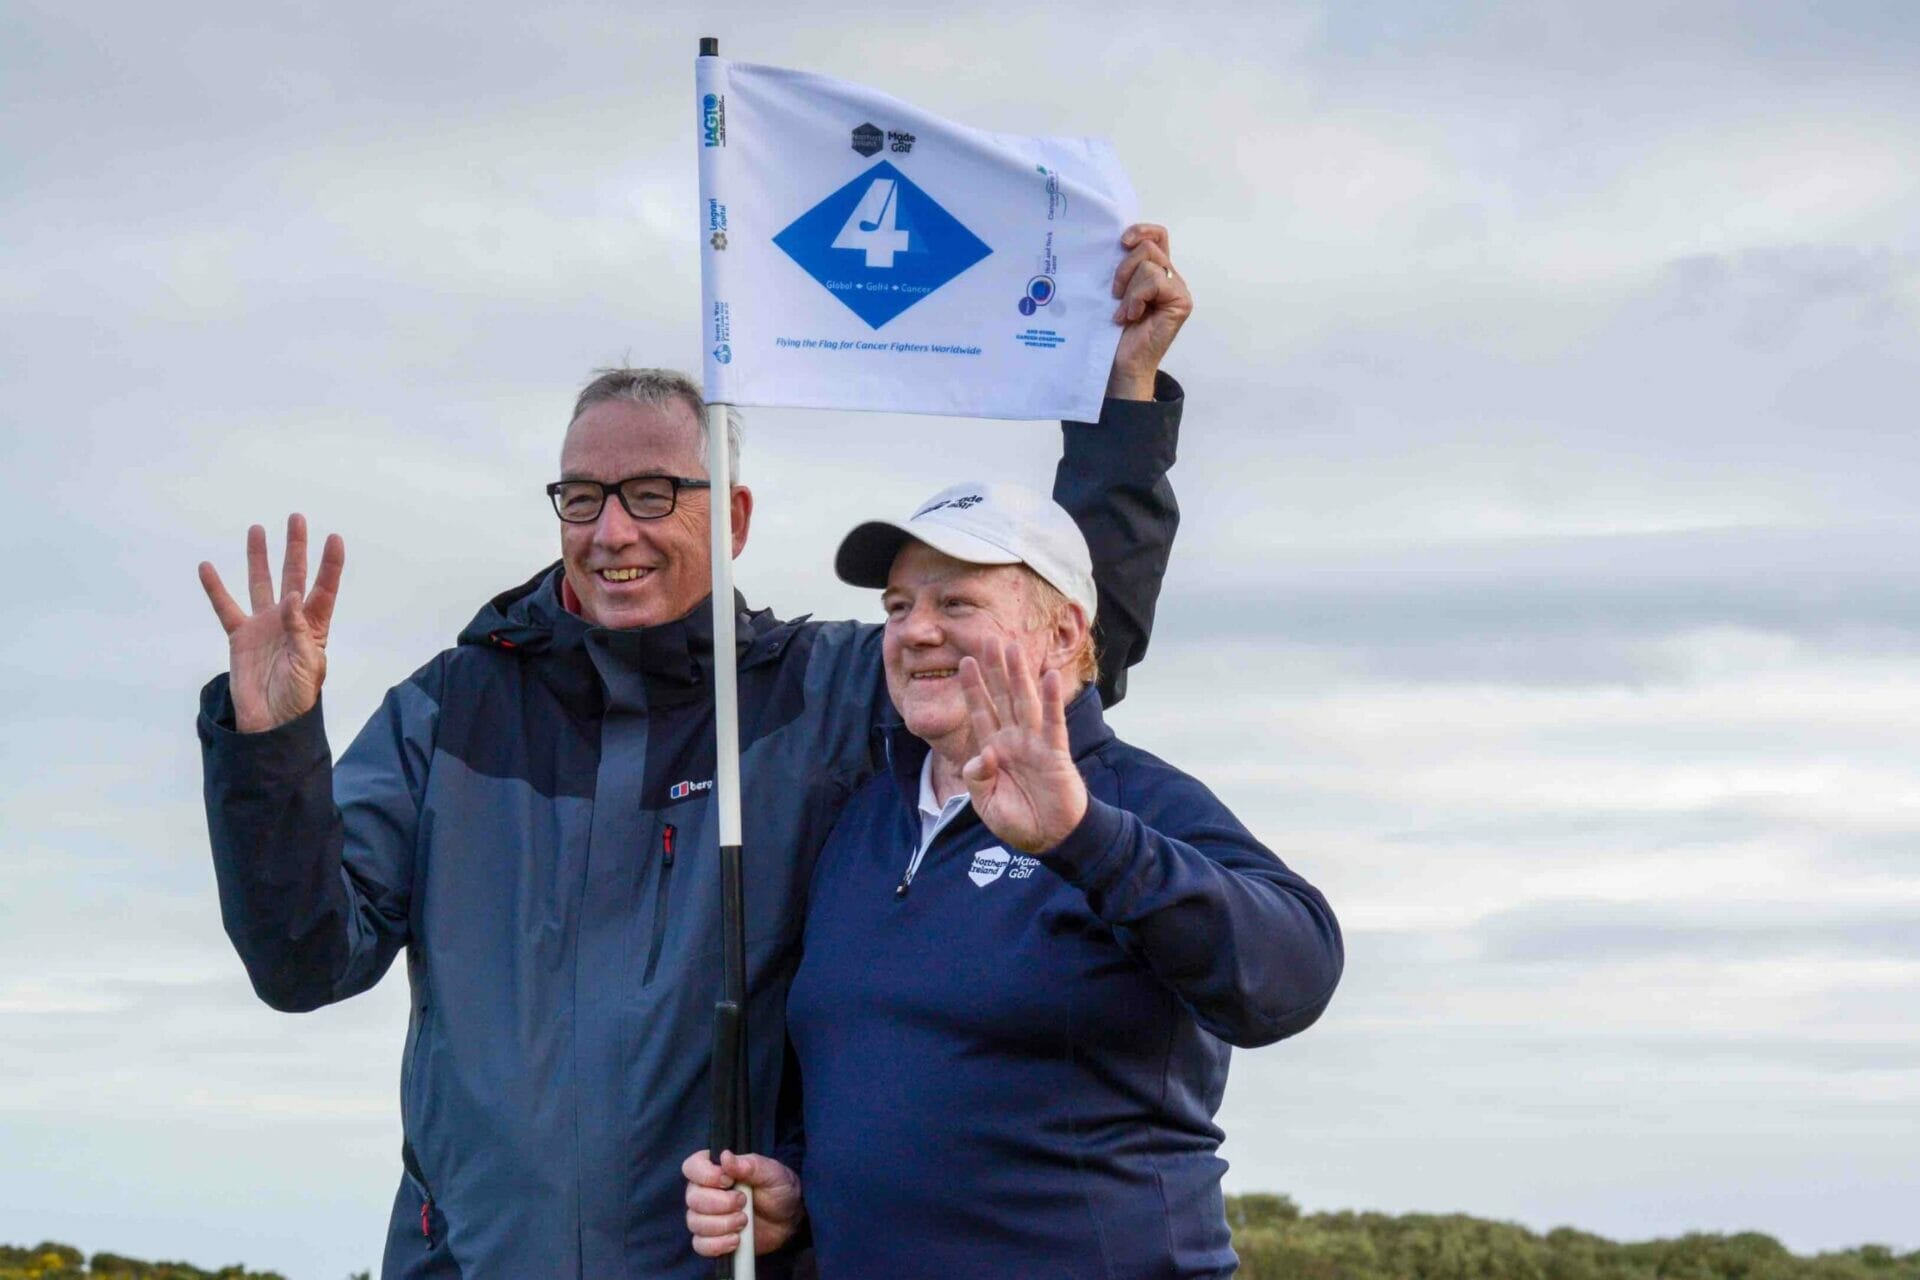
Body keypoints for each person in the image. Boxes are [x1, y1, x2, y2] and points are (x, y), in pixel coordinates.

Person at [195, 227, 1192, 1278]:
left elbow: (1055, 650)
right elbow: (304, 959)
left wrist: (1125, 404)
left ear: (735, 518)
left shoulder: (827, 696)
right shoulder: (451, 711)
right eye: (583, 497)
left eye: (652, 494)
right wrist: (272, 745)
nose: (611, 531)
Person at [682, 482, 1344, 1279]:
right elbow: (868, 1078)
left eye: (955, 602)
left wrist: (1085, 839)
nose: (914, 631)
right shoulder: (863, 819)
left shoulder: (1134, 801)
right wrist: (795, 1191)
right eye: (897, 607)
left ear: (1062, 633)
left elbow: (1294, 977)